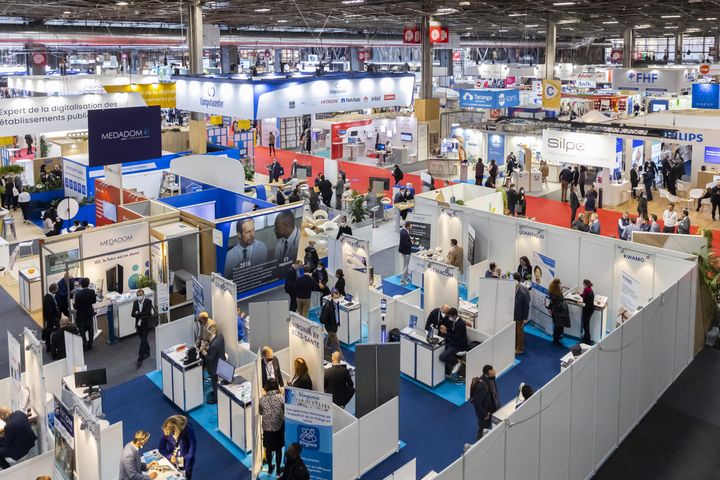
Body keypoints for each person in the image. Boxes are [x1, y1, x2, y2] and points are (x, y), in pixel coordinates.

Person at [259, 379, 284, 476]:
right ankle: (278, 471)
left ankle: (269, 469)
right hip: (278, 428)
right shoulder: (281, 398)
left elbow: (261, 412)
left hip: (266, 429)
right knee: (278, 450)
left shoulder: (262, 399)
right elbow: (285, 409)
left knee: (268, 449)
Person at [469, 366, 500, 440]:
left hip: (493, 408)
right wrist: (485, 414)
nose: (494, 376)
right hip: (485, 414)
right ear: (486, 375)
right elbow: (476, 403)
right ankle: (478, 447)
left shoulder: (491, 380)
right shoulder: (481, 387)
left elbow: (494, 393)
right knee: (482, 429)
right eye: (492, 375)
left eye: (494, 373)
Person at [438, 307, 468, 378]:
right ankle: (447, 372)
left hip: (458, 345)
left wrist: (446, 333)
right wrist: (446, 329)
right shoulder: (454, 321)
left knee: (442, 357)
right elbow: (452, 330)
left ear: (454, 315)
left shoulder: (460, 324)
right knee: (439, 349)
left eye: (450, 317)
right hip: (453, 343)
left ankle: (457, 362)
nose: (449, 318)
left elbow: (456, 337)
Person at [132, 289, 156, 369]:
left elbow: (148, 312)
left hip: (146, 325)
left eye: (140, 295)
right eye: (137, 295)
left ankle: (140, 359)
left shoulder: (148, 301)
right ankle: (148, 351)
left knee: (142, 342)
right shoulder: (135, 303)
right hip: (139, 325)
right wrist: (140, 314)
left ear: (143, 295)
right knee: (143, 340)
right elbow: (132, 314)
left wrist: (138, 314)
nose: (139, 297)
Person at [203, 324, 225, 404]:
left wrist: (205, 353)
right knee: (217, 383)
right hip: (221, 362)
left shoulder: (213, 346)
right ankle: (216, 394)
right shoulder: (220, 336)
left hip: (214, 367)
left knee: (214, 383)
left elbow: (210, 358)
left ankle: (215, 399)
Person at [73, 278, 96, 351]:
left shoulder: (78, 294)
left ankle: (84, 346)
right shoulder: (92, 292)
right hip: (89, 313)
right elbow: (94, 301)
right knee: (90, 329)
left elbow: (76, 307)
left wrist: (73, 304)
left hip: (81, 315)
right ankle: (90, 344)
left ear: (81, 285)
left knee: (82, 331)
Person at [546, 278, 570, 345]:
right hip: (558, 311)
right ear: (557, 284)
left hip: (555, 311)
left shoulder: (551, 289)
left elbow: (552, 302)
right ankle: (556, 338)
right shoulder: (557, 293)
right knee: (558, 325)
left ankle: (557, 337)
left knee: (557, 324)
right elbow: (559, 301)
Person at [320, 289, 343, 359]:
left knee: (329, 341)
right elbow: (322, 319)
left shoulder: (336, 304)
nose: (337, 299)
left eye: (338, 297)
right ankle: (342, 360)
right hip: (330, 328)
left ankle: (323, 353)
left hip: (334, 327)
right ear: (332, 297)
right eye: (335, 298)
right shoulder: (327, 307)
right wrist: (328, 325)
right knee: (337, 345)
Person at [513, 273, 531, 354]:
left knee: (520, 332)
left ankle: (520, 349)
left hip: (520, 316)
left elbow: (526, 307)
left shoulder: (522, 294)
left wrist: (525, 318)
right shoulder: (514, 292)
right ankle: (515, 345)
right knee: (515, 331)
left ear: (517, 286)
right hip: (514, 315)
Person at [42, 283, 61, 350]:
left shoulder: (50, 296)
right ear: (54, 290)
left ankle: (50, 345)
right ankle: (49, 346)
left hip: (52, 318)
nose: (58, 290)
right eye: (57, 288)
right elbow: (49, 311)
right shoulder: (48, 298)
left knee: (49, 331)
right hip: (51, 319)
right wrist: (56, 318)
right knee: (50, 331)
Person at [580, 279, 595, 344]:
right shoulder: (588, 290)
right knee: (585, 324)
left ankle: (587, 340)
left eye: (583, 284)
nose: (583, 285)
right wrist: (580, 295)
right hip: (588, 309)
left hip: (588, 310)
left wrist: (581, 304)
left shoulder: (588, 292)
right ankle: (586, 338)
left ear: (585, 284)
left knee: (586, 325)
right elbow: (585, 297)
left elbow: (588, 304)